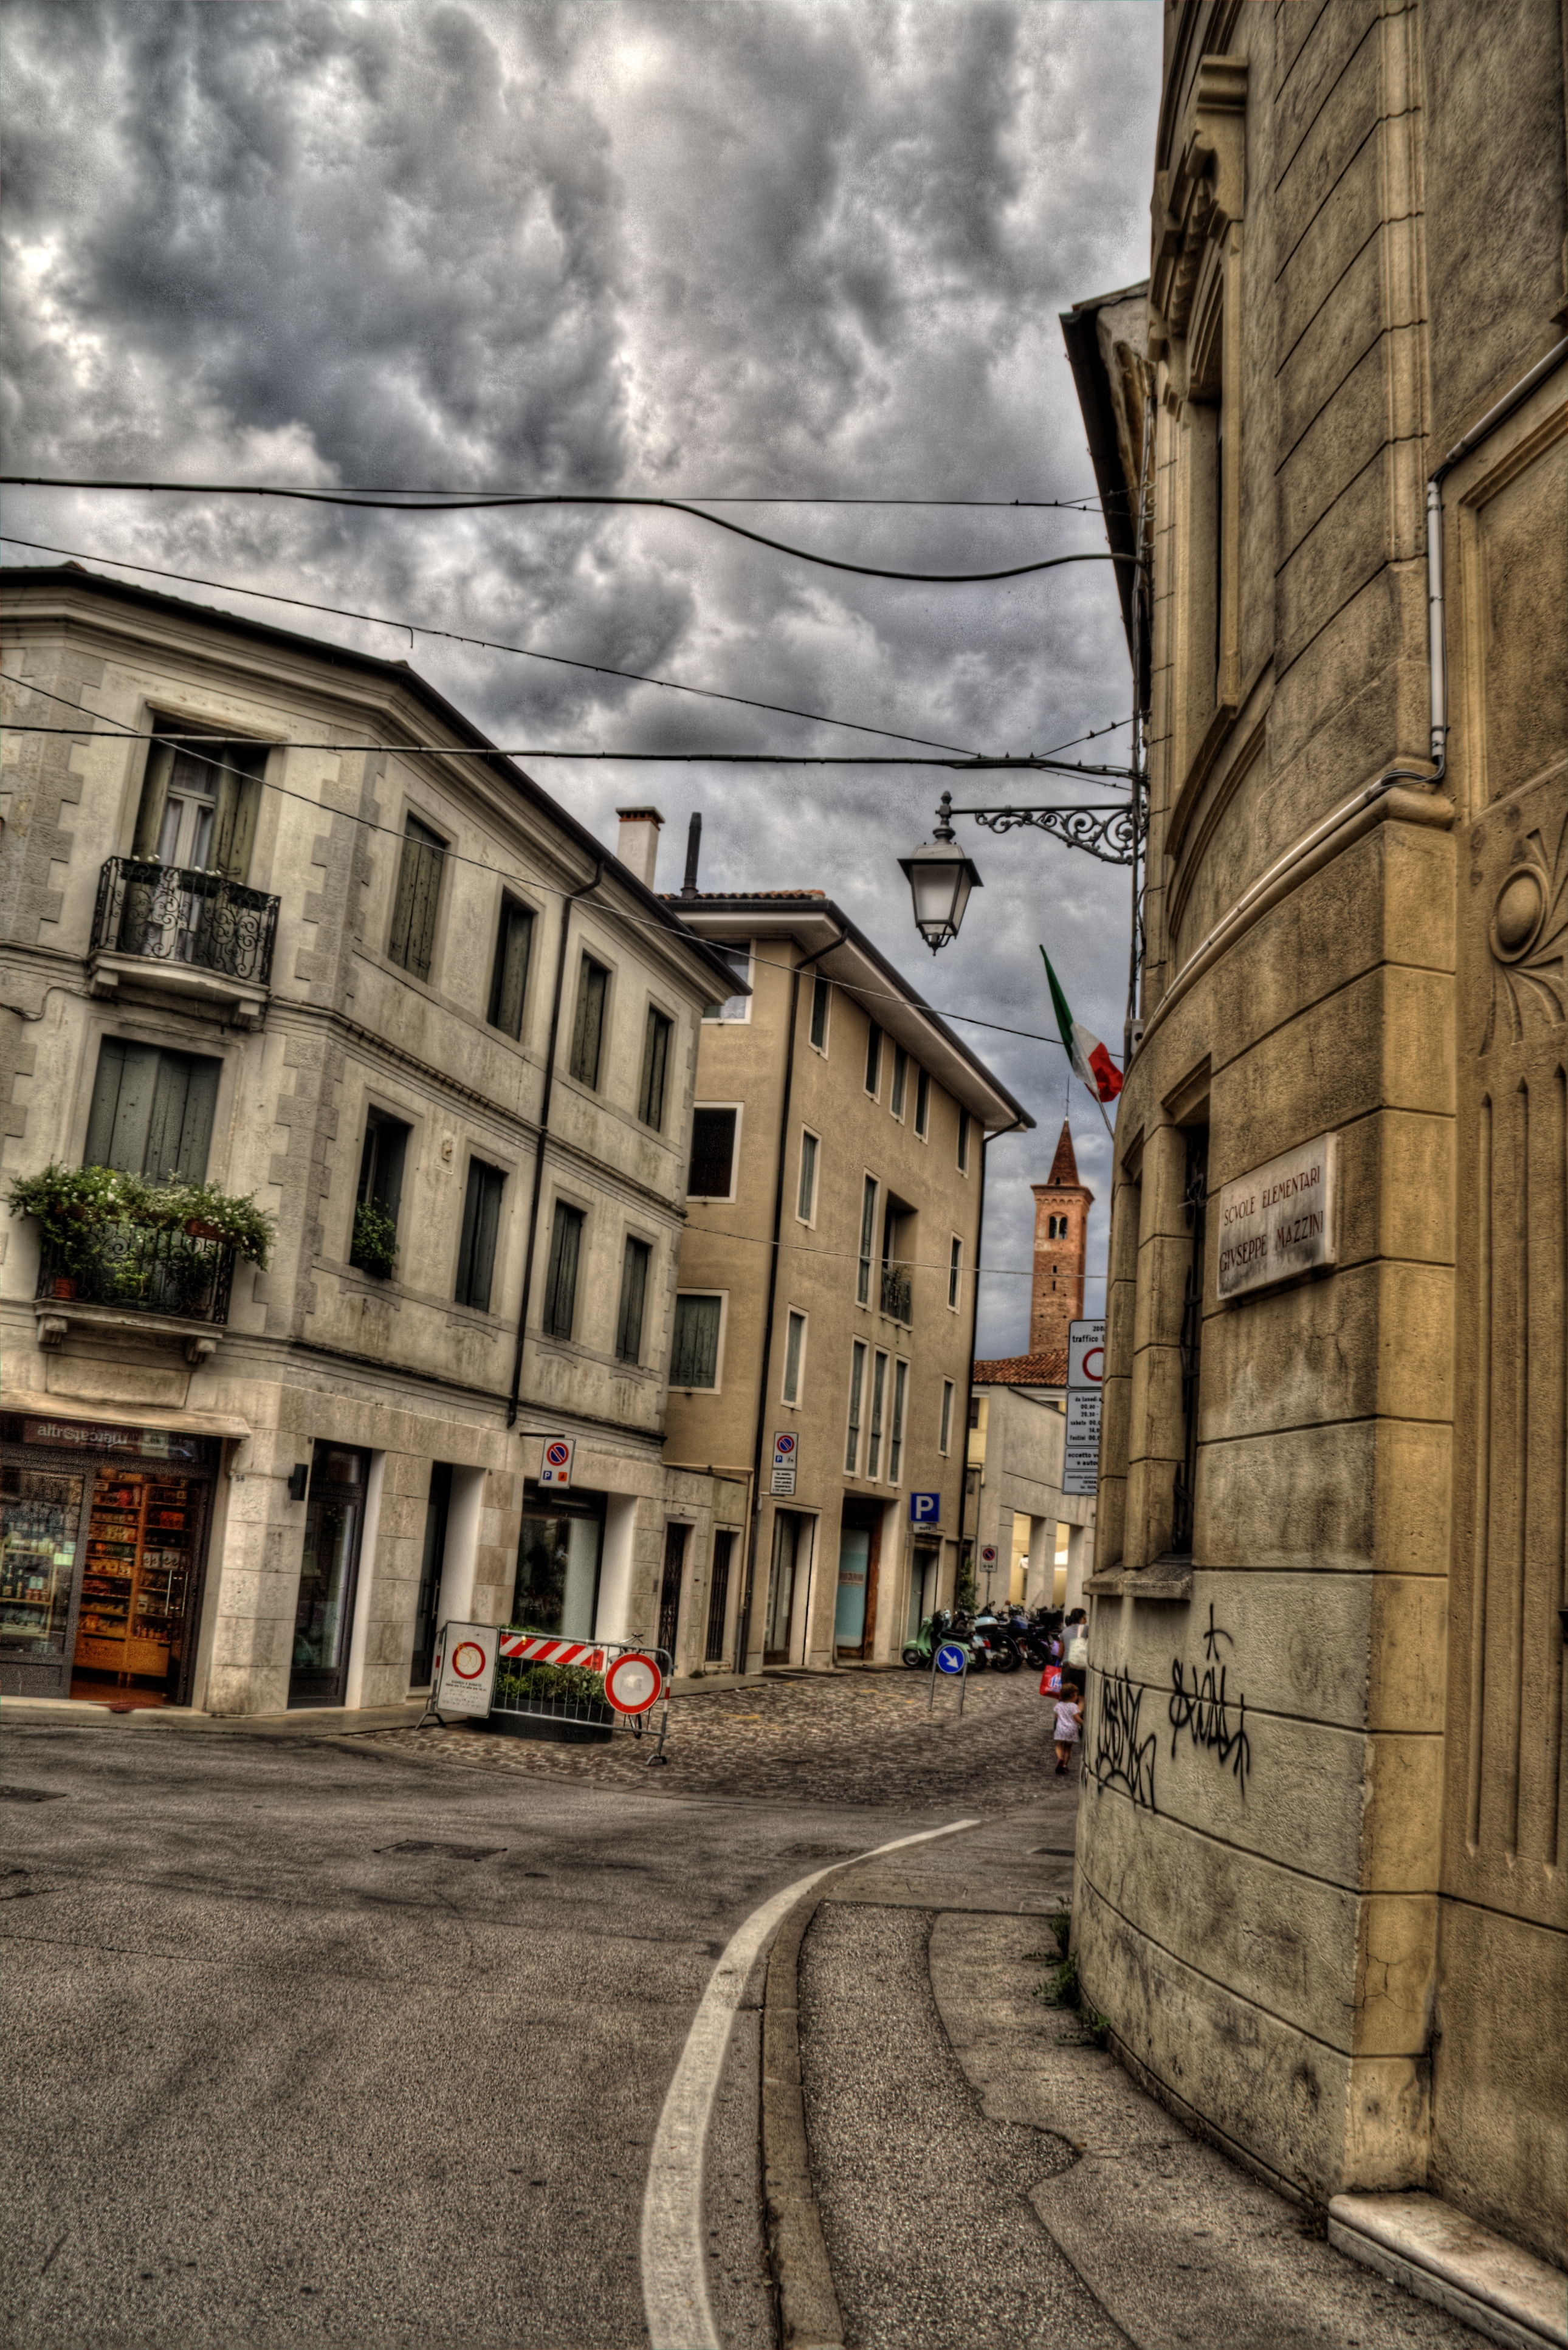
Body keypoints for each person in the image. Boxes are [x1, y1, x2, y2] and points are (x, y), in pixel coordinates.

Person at [1053, 1686, 1082, 1775]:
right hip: (1071, 1730)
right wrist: (1083, 1723)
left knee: (1059, 1746)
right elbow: (1076, 1718)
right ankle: (1065, 1766)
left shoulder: (1058, 1706)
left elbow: (1057, 1717)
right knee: (1068, 1749)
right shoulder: (1074, 1706)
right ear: (1073, 1696)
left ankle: (1060, 1759)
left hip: (1060, 1729)